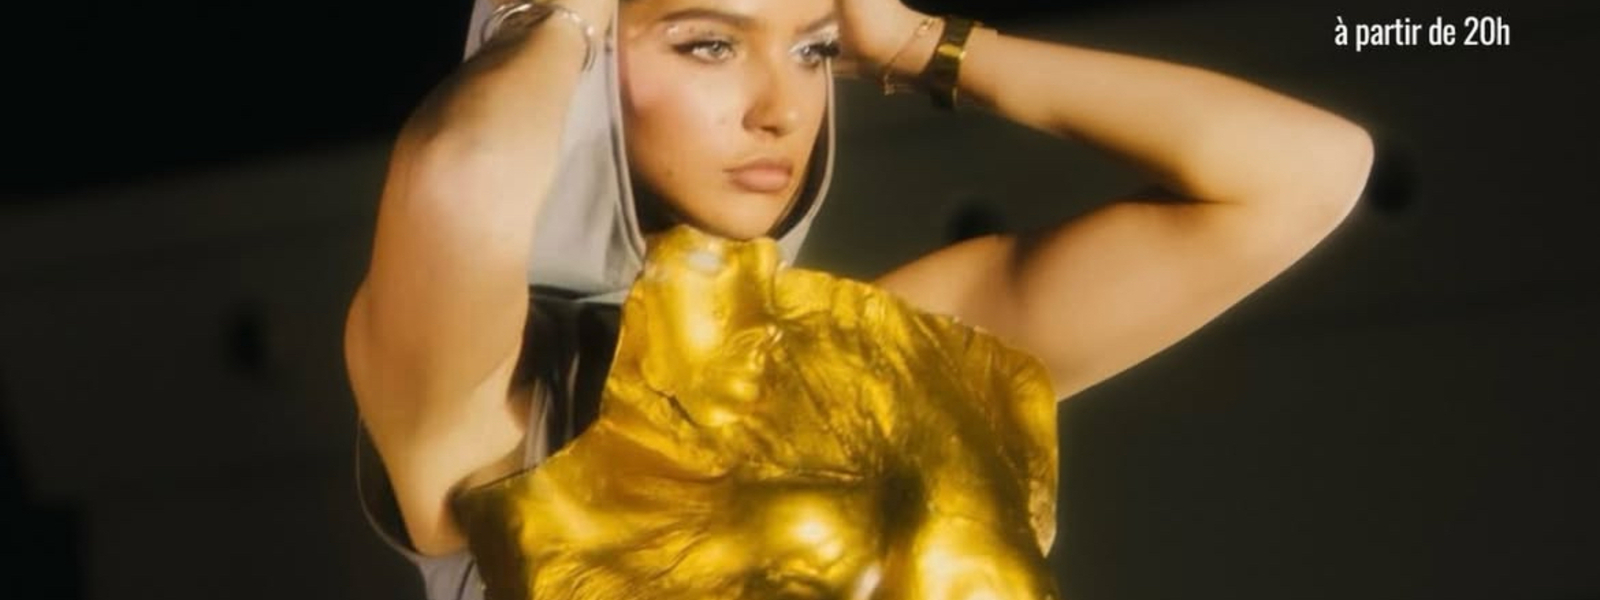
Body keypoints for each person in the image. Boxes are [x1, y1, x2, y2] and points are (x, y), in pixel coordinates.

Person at [344, 0, 1373, 598]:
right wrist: (548, 18)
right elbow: (462, 177)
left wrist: (919, 43)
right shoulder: (506, 401)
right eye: (709, 44)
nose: (779, 107)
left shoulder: (897, 351)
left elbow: (1305, 173)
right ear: (582, 63)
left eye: (812, 49)